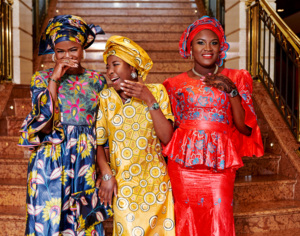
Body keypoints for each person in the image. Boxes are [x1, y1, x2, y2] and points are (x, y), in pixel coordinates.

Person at [162, 16, 264, 236]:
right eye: (200, 42)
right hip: (183, 165)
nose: (207, 48)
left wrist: (231, 91)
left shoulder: (236, 77)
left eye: (214, 43)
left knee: (220, 215)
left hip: (220, 165)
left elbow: (246, 128)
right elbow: (173, 128)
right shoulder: (173, 84)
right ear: (189, 48)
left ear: (221, 48)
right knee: (185, 216)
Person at [18, 15, 111, 235]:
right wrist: (55, 80)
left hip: (84, 161)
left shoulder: (97, 80)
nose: (67, 56)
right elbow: (47, 127)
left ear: (83, 48)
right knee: (47, 223)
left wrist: (104, 168)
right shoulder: (41, 79)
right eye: (60, 51)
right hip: (49, 161)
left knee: (82, 225)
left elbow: (102, 129)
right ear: (53, 52)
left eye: (73, 49)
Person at [95, 35, 176, 236]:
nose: (110, 71)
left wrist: (149, 99)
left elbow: (167, 137)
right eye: (107, 67)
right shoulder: (106, 98)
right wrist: (106, 174)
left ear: (132, 68)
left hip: (157, 186)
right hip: (124, 187)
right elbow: (98, 143)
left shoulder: (157, 91)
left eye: (115, 64)